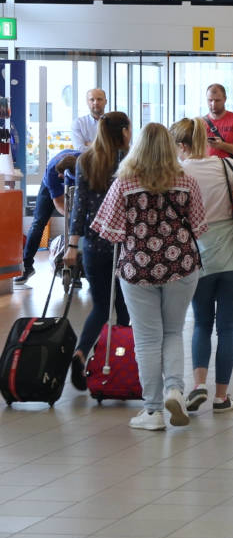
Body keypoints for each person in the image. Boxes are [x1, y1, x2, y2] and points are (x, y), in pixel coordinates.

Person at [92, 123, 207, 431]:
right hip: (181, 264)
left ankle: (153, 411)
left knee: (146, 339)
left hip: (137, 267)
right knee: (173, 332)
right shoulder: (186, 180)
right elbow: (198, 226)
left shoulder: (124, 183)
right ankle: (174, 390)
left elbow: (108, 230)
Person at [173, 117, 233, 415]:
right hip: (232, 258)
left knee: (201, 323)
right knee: (227, 327)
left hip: (197, 257)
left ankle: (198, 385)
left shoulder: (178, 172)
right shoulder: (227, 166)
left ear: (181, 145)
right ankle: (221, 397)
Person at [64, 112, 131, 390]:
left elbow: (79, 206)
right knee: (126, 307)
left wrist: (72, 244)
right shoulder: (129, 161)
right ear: (125, 132)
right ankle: (123, 364)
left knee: (101, 306)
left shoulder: (85, 161)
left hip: (94, 244)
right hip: (125, 244)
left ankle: (81, 353)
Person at [16, 147, 79, 285]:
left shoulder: (86, 165)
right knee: (38, 223)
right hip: (47, 185)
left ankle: (77, 270)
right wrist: (72, 217)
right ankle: (27, 267)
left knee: (79, 223)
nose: (60, 178)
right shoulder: (53, 174)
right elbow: (59, 204)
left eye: (62, 176)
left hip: (76, 180)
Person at [203, 84, 233, 160]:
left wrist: (222, 146)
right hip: (206, 168)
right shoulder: (200, 123)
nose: (213, 104)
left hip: (228, 169)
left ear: (225, 99)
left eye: (217, 100)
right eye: (210, 100)